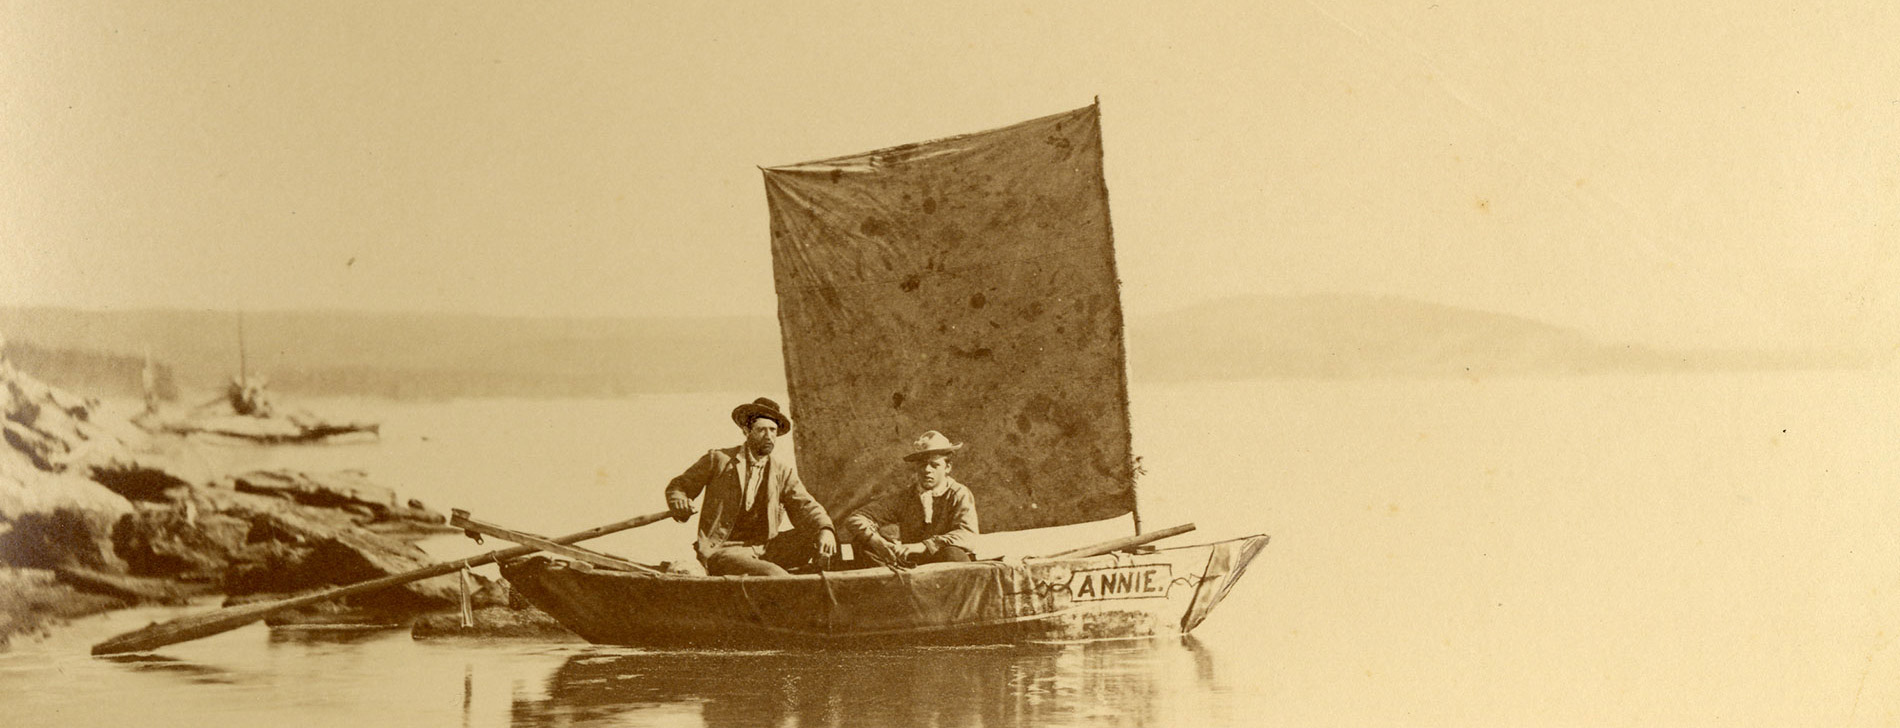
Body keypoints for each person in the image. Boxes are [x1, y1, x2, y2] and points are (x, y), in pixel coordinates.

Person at [663, 397, 838, 576]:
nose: (769, 436)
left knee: (823, 534)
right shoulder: (719, 460)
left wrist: (824, 529)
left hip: (765, 548)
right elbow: (679, 486)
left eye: (773, 430)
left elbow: (806, 506)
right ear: (747, 431)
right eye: (762, 430)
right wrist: (680, 501)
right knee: (775, 576)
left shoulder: (782, 472)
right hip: (725, 550)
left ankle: (821, 580)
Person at [842, 430, 980, 567]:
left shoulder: (958, 494)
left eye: (934, 465)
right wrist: (878, 542)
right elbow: (856, 518)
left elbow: (967, 535)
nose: (927, 470)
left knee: (953, 553)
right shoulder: (906, 496)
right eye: (922, 464)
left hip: (944, 562)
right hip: (912, 563)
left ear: (947, 467)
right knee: (862, 545)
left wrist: (924, 545)